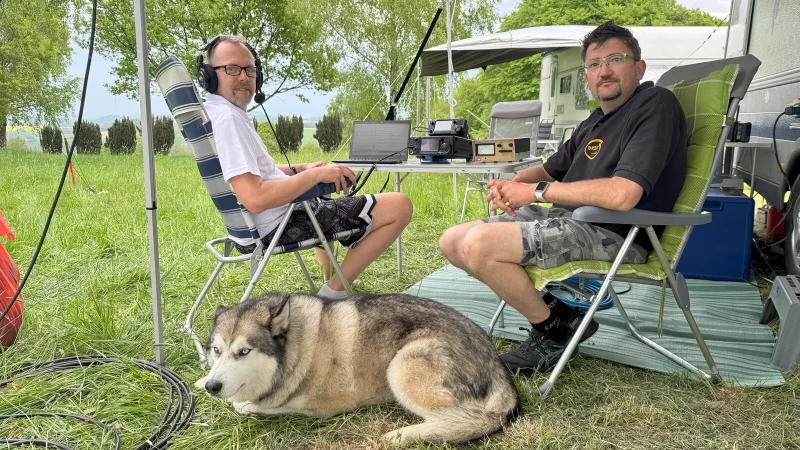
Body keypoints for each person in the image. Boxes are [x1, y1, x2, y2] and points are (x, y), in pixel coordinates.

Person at [438, 21, 688, 374]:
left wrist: (536, 193)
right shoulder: (596, 120)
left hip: (618, 232)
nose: (604, 71)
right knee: (452, 241)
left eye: (615, 59)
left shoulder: (654, 105)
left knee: (480, 245)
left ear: (638, 67)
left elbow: (623, 194)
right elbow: (551, 168)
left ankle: (552, 332)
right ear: (587, 75)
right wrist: (514, 181)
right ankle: (559, 315)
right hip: (568, 221)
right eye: (594, 64)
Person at [201, 35, 413, 300]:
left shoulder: (217, 114)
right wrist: (316, 175)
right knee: (400, 204)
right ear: (209, 76)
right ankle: (333, 293)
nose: (244, 77)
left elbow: (246, 172)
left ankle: (329, 275)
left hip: (261, 223)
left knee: (321, 191)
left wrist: (299, 169)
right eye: (232, 68)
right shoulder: (229, 121)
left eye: (250, 69)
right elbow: (256, 198)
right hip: (278, 223)